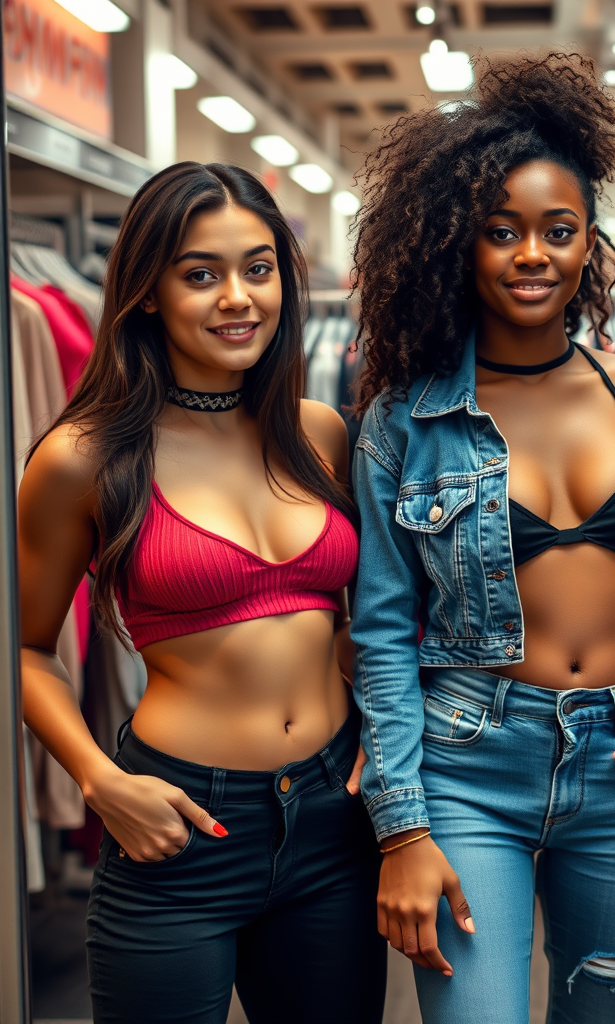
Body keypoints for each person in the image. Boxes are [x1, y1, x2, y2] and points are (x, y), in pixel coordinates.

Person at [349, 53, 615, 1024]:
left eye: (558, 230)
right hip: (470, 763)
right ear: (458, 243)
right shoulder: (402, 419)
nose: (531, 255)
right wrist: (401, 826)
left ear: (589, 239)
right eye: (500, 232)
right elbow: (380, 633)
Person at [19, 162, 386, 1024]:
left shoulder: (319, 432)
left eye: (258, 269)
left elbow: (350, 626)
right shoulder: (85, 458)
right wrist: (99, 781)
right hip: (180, 825)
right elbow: (24, 649)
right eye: (200, 274)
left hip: (334, 817)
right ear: (147, 291)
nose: (237, 297)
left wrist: (382, 737)